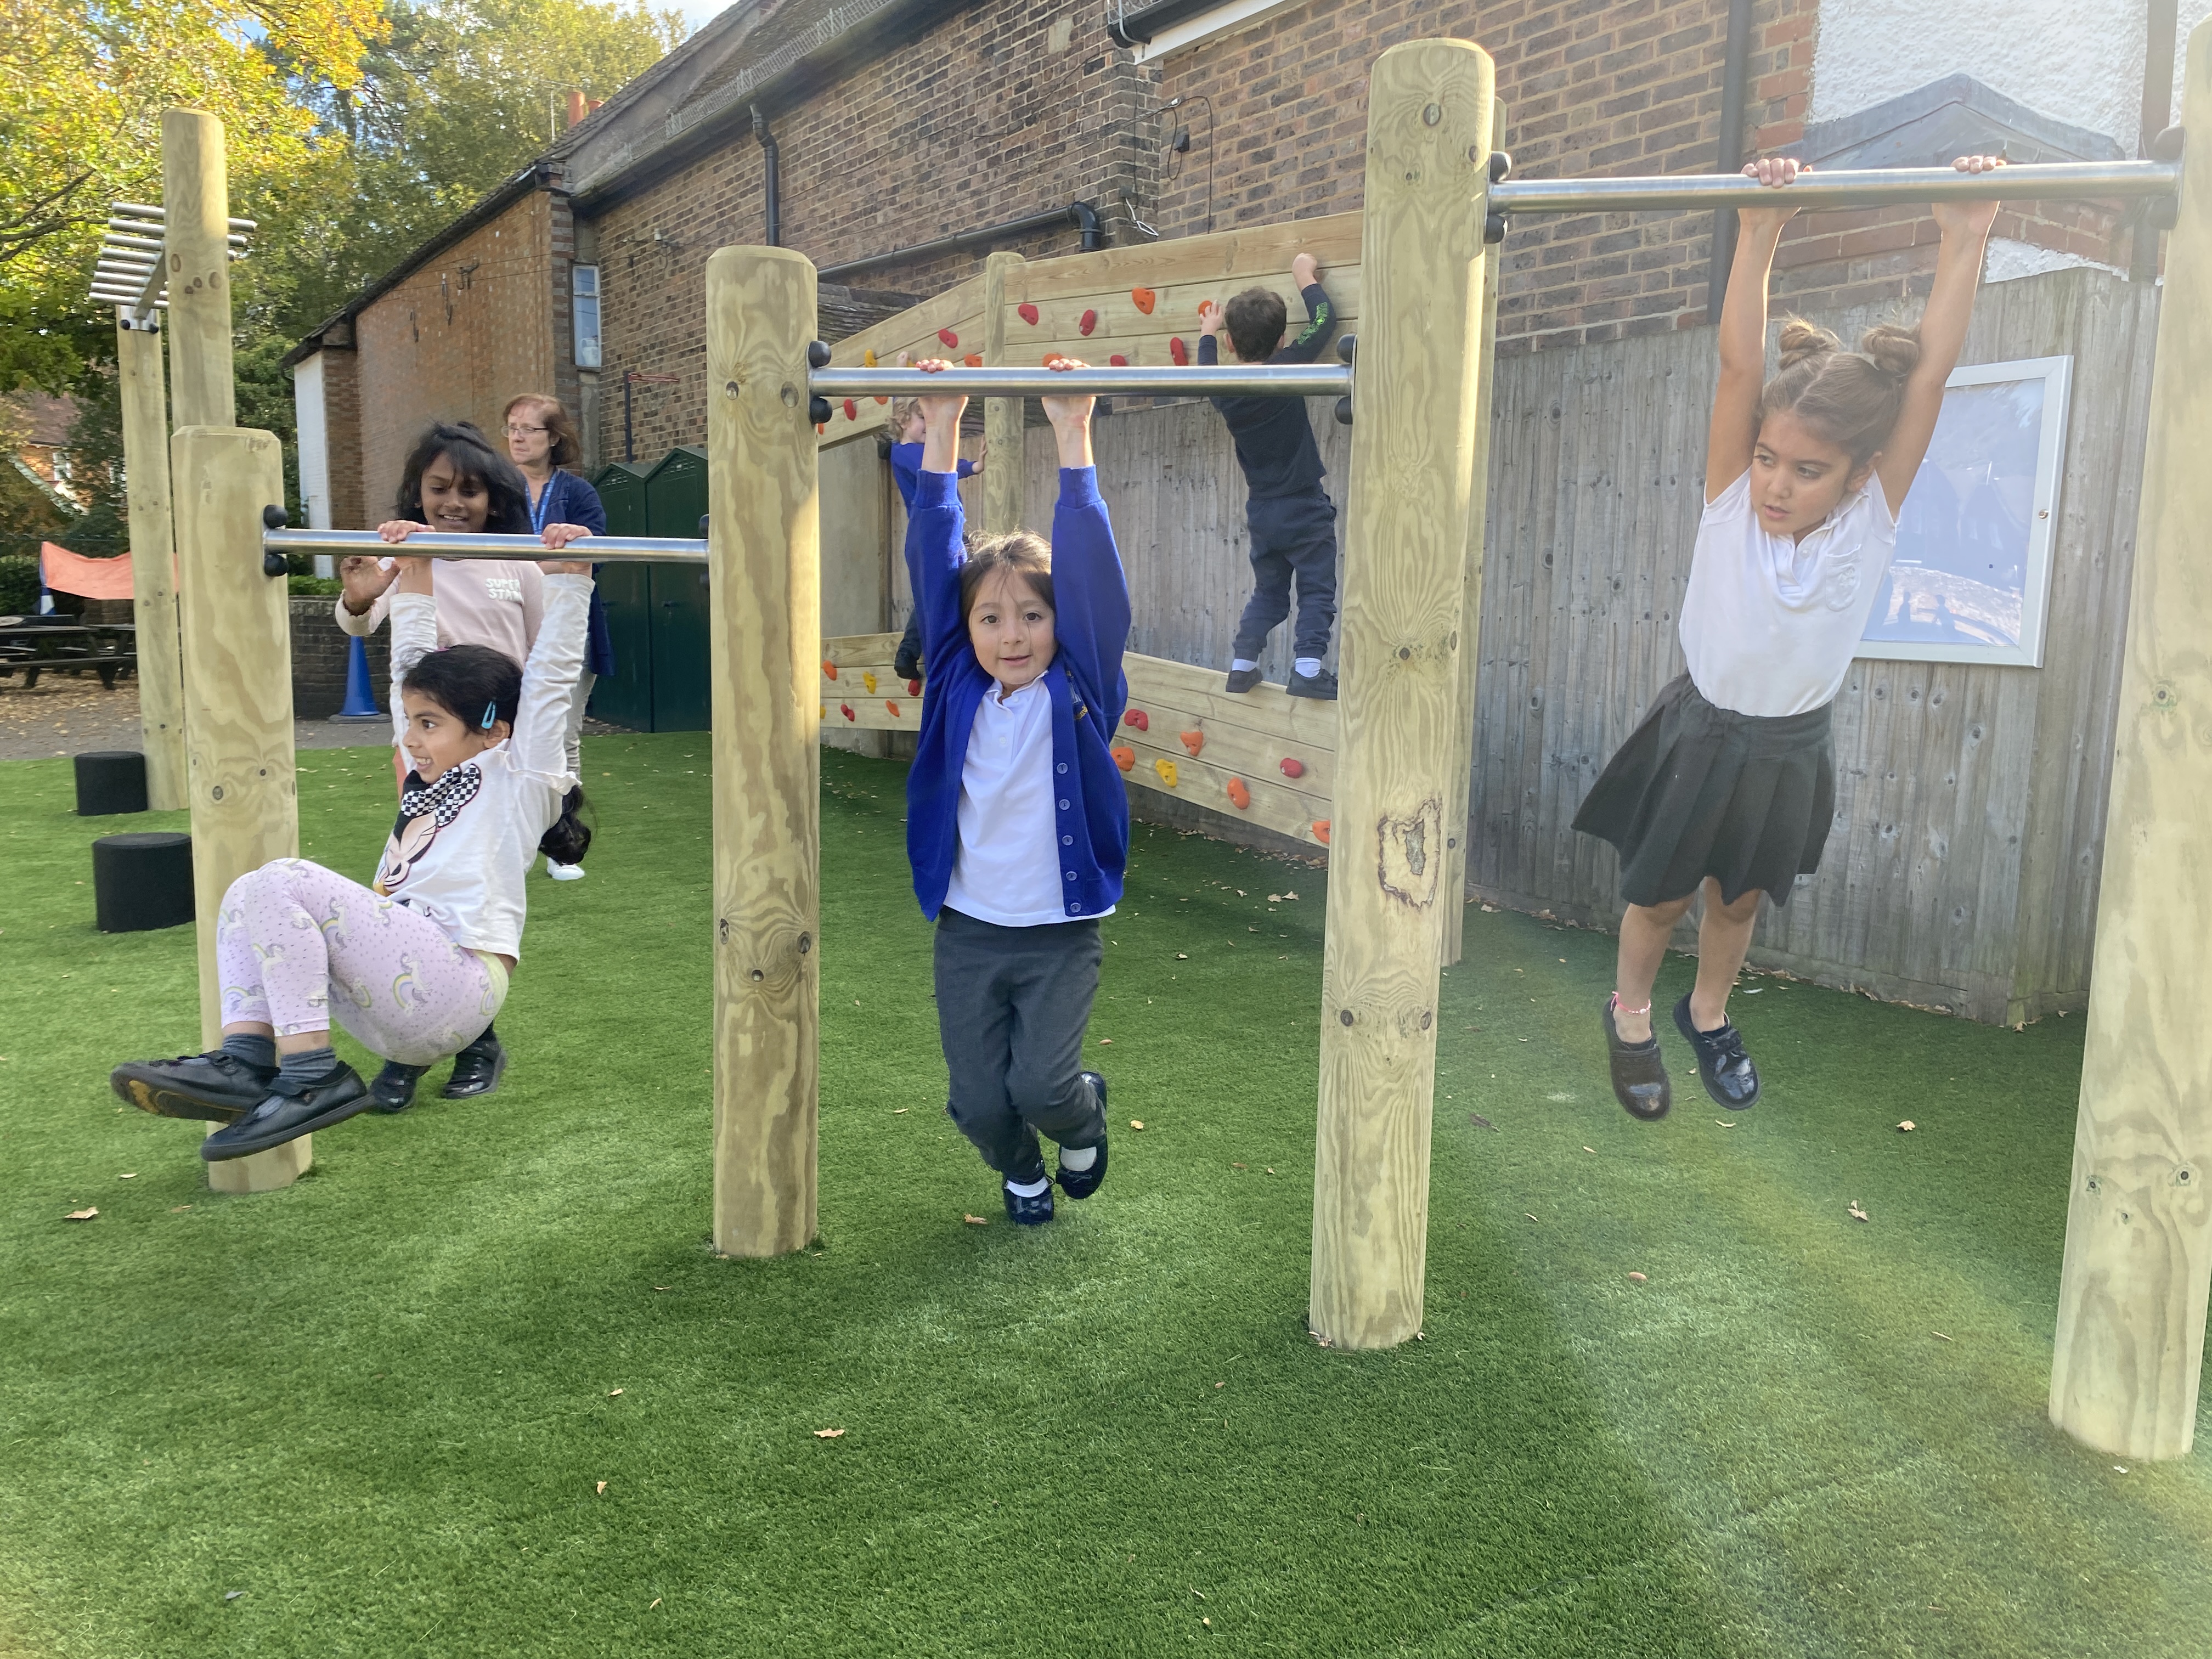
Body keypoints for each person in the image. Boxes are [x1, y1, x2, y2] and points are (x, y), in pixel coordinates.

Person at [1573, 155, 2005, 1121]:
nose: (1774, 483)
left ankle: (1708, 1010)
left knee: (1739, 896)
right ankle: (1632, 1011)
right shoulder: (1730, 502)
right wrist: (1758, 229)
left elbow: (1928, 377)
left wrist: (1964, 234)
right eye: (1768, 458)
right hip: (1701, 728)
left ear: (1859, 474)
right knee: (1660, 894)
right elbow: (1738, 365)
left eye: (1805, 470)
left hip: (1789, 742)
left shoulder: (1870, 519)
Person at [108, 534, 596, 1161]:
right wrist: (415, 568)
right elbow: (408, 669)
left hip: (459, 984)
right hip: (391, 1005)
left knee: (284, 877)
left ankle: (313, 1077)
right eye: (412, 722)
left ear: (493, 732)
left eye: (431, 725)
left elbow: (552, 677)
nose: (414, 740)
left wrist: (573, 576)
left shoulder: (517, 775)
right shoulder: (428, 778)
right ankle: (246, 1060)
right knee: (244, 894)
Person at [904, 354, 1125, 1224]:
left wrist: (1074, 435)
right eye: (991, 618)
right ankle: (1018, 1169)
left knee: (1041, 1083)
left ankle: (1081, 1112)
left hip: (1060, 933)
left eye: (1033, 615)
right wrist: (944, 423)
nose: (1013, 634)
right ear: (965, 633)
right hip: (968, 930)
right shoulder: (954, 685)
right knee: (980, 1101)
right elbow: (934, 554)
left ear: (1059, 624)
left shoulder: (1079, 690)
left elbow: (1094, 585)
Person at [331, 422, 599, 1111]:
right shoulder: (408, 553)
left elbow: (551, 668)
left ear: (494, 497)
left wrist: (572, 579)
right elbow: (385, 644)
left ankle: (461, 1033)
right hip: (438, 729)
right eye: (439, 489)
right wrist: (399, 580)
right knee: (415, 884)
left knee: (462, 885)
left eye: (470, 490)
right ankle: (415, 1047)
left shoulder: (512, 560)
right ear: (418, 494)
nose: (454, 502)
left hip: (503, 740)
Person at [1197, 251, 1341, 699]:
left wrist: (1207, 331)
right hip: (1303, 505)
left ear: (1230, 346)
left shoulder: (1223, 389)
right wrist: (1304, 274)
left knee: (1270, 593)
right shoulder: (1290, 366)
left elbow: (1205, 370)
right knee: (1316, 588)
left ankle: (1243, 665)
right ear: (1282, 339)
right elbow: (1325, 317)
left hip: (1263, 511)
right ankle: (1308, 669)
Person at [503, 392, 612, 879]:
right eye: (512, 427)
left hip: (569, 631)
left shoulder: (578, 492)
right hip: (510, 624)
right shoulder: (496, 489)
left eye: (530, 428)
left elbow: (595, 554)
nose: (518, 437)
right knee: (501, 737)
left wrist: (572, 550)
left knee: (563, 738)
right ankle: (507, 837)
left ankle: (560, 842)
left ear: (554, 439)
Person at [885, 392, 982, 682]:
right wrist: (972, 466)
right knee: (936, 592)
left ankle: (910, 651)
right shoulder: (903, 452)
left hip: (941, 531)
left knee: (935, 591)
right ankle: (910, 651)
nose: (930, 425)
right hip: (934, 533)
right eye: (923, 419)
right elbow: (938, 465)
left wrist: (903, 369)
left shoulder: (907, 447)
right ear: (902, 421)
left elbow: (901, 401)